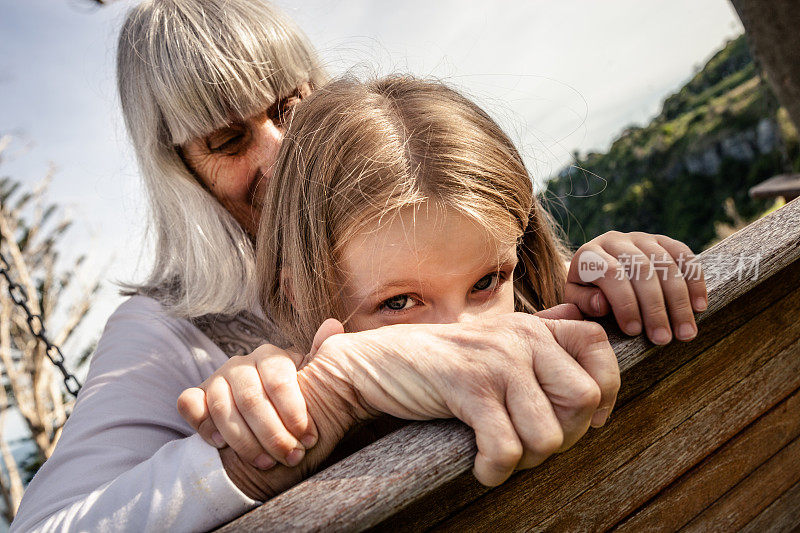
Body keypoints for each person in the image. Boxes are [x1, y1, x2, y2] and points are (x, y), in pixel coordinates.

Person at [12, 1, 631, 530]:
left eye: (286, 108)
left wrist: (609, 277)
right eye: (228, 140)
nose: (278, 155)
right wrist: (292, 419)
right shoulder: (162, 330)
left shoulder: (404, 207)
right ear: (180, 172)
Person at [178, 75, 708, 488]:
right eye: (401, 301)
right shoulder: (305, 397)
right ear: (302, 295)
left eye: (486, 282)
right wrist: (292, 410)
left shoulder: (556, 315)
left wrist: (623, 275)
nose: (466, 336)